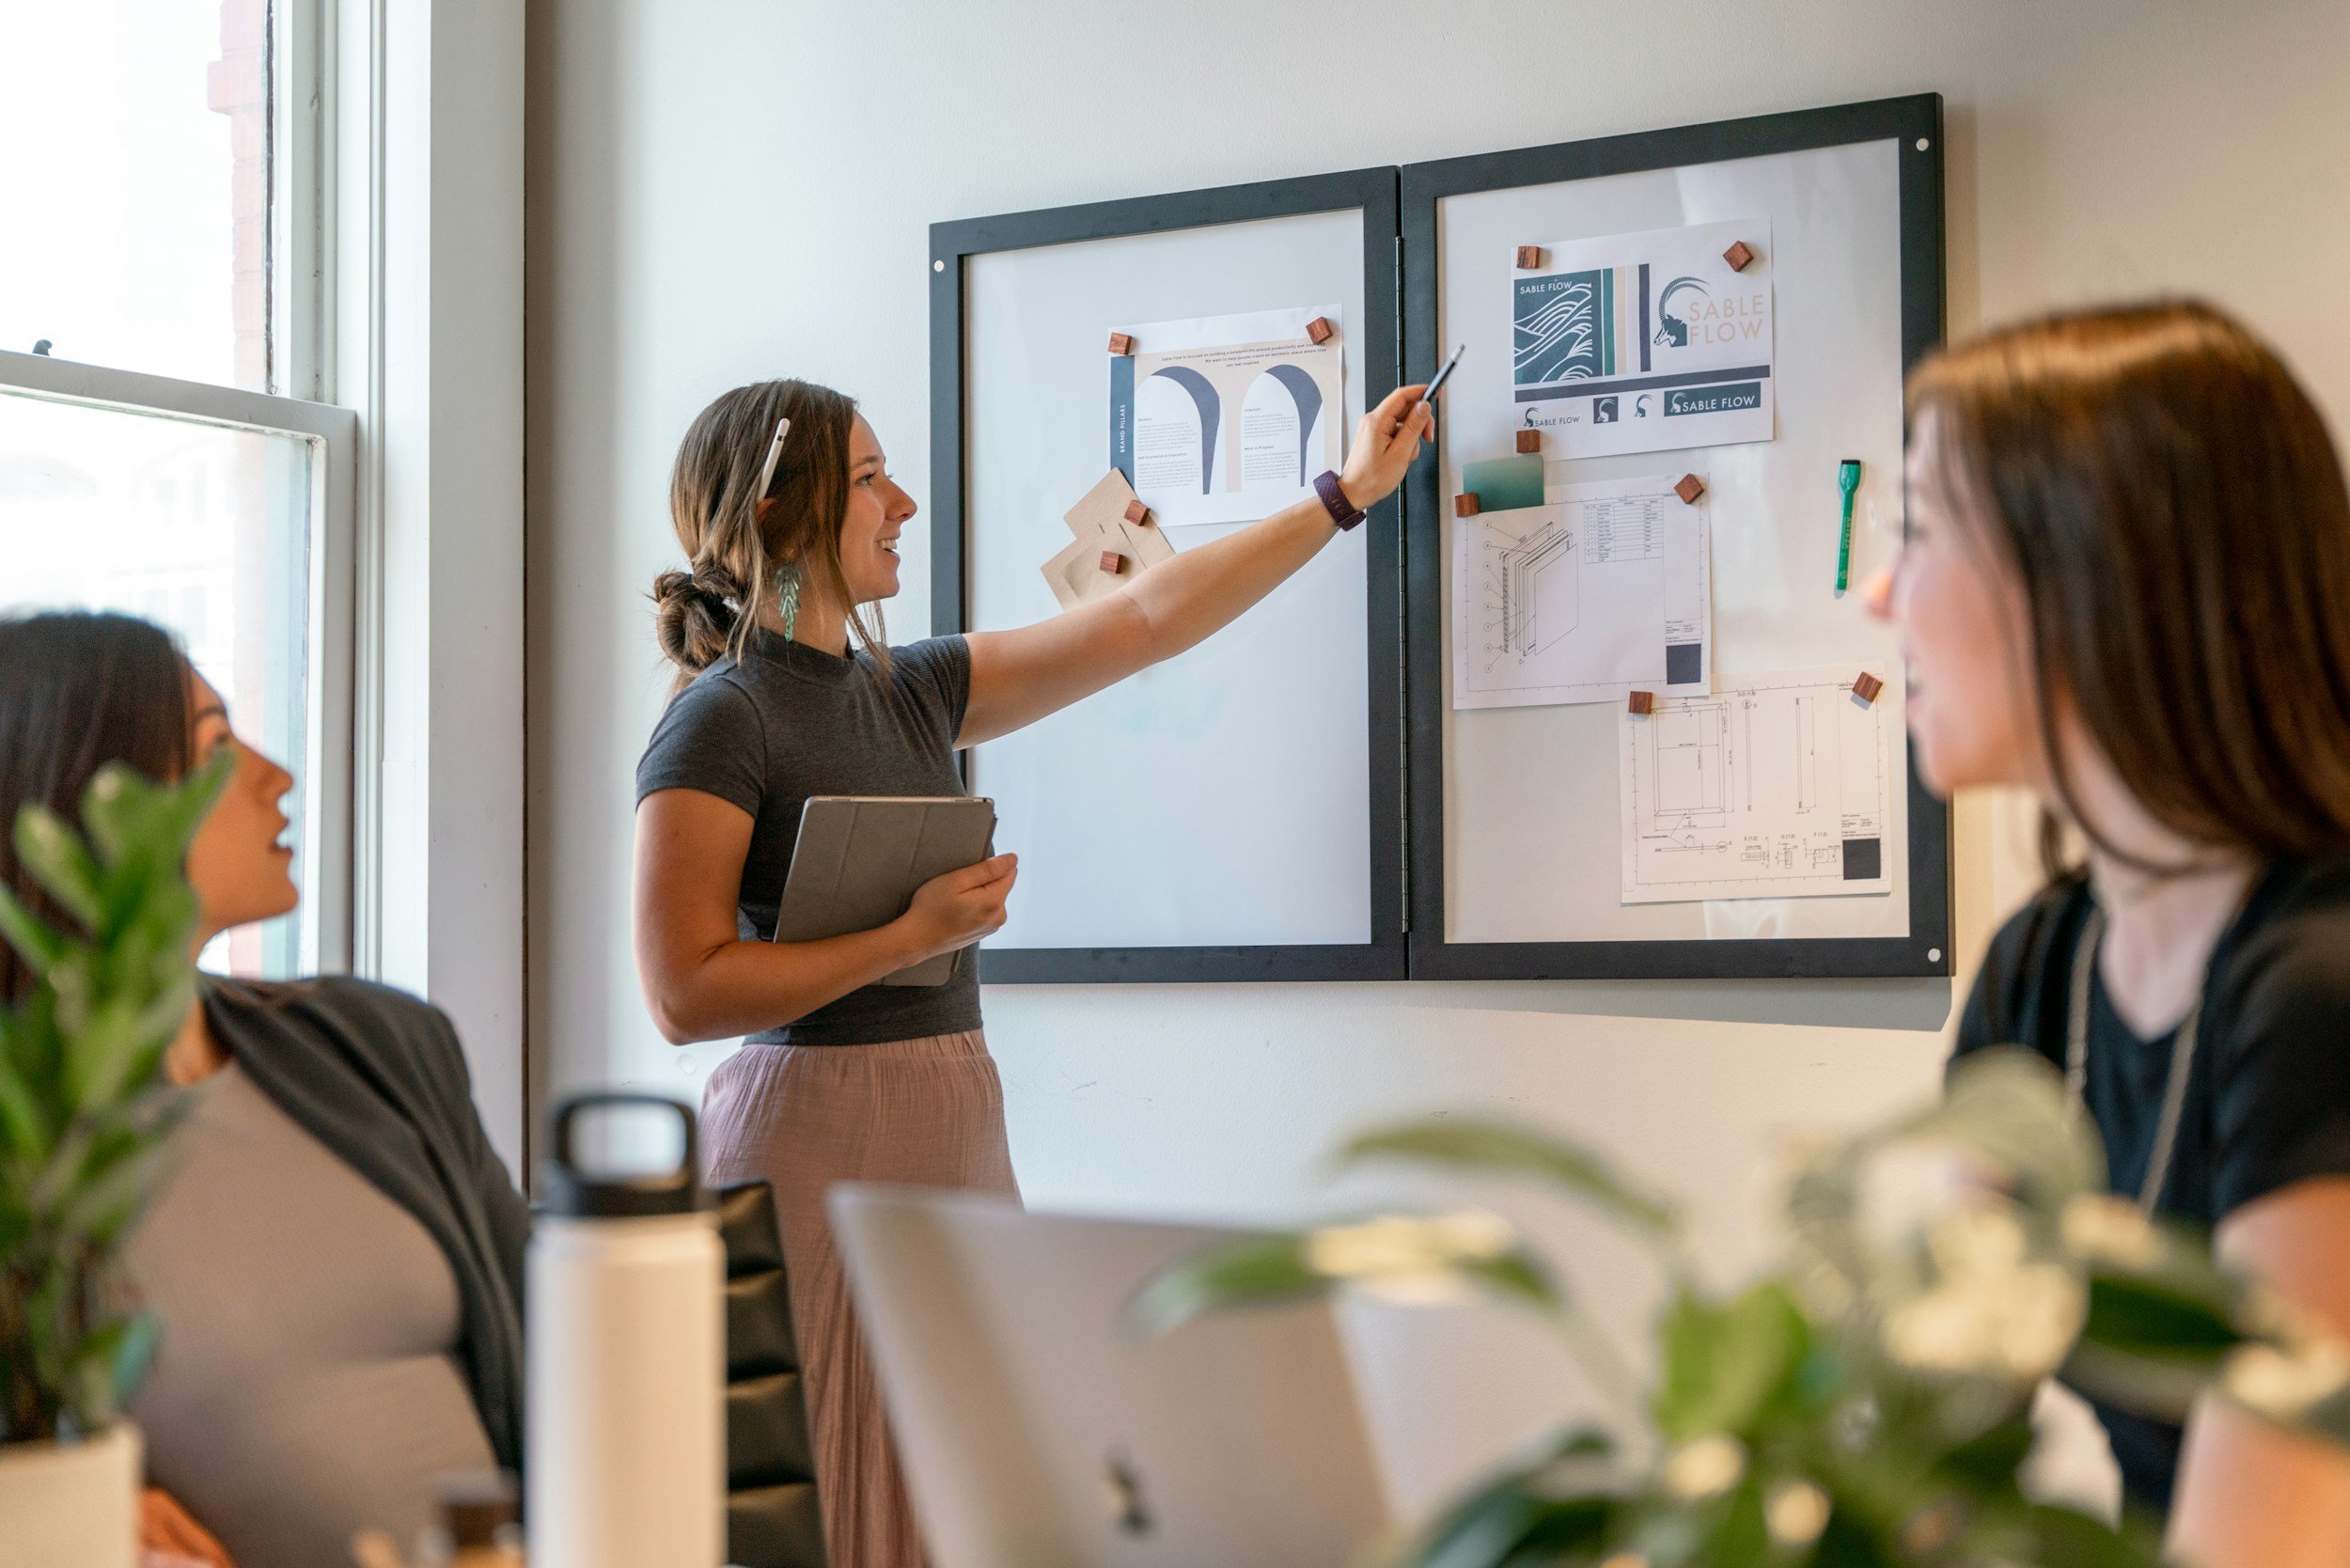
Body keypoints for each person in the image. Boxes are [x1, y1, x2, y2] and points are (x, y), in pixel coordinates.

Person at [633, 376, 1431, 1565]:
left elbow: (1147, 619)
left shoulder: (913, 691)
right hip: (808, 1137)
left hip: (949, 1118)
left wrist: (1345, 495)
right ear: (780, 510)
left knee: (967, 1490)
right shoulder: (721, 718)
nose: (902, 502)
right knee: (823, 1502)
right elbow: (682, 994)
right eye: (867, 479)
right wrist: (908, 939)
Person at [1871, 301, 2350, 1563]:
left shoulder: (2320, 988)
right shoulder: (2047, 966)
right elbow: (1933, 1436)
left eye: (1917, 531)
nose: (1880, 596)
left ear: (2087, 568)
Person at [0, 610, 530, 1568]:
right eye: (211, 749)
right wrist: (34, 1508)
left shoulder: (379, 1045)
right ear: (77, 805)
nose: (271, 777)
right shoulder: (25, 1140)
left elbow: (557, 1355)